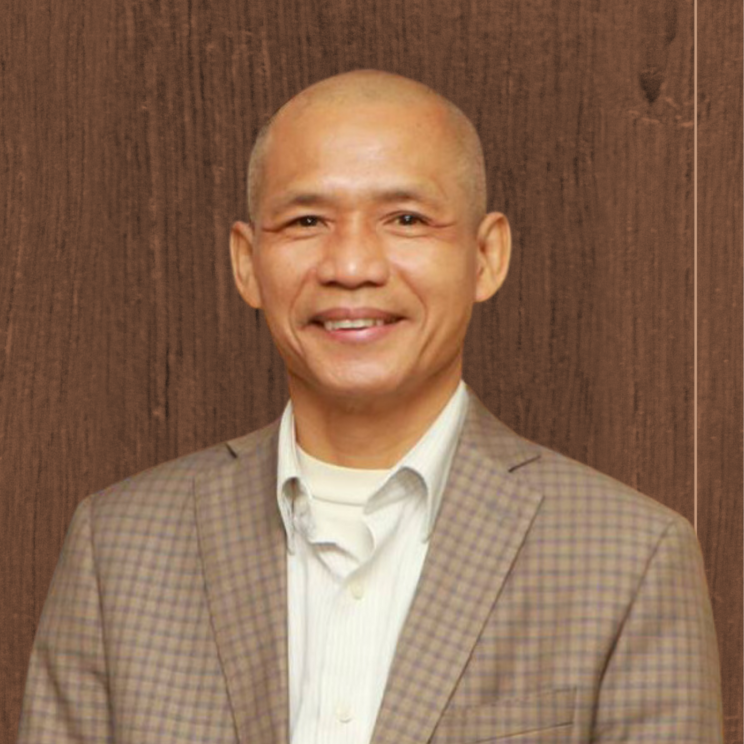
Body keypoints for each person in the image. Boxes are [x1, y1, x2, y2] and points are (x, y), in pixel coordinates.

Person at [17, 69, 723, 743]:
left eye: (406, 218)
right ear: (246, 262)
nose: (351, 266)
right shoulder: (119, 548)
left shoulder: (629, 558)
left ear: (486, 256)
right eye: (306, 221)